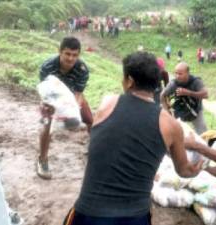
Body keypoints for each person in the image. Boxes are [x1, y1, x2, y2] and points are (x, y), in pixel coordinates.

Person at [63, 52, 203, 225]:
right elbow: (184, 171)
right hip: (134, 218)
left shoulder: (107, 102)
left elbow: (103, 138)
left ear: (129, 81)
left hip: (88, 214)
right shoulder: (171, 125)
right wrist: (196, 168)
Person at [37, 37, 93, 180]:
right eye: (67, 54)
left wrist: (72, 111)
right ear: (60, 52)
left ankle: (94, 151)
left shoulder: (82, 70)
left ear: (79, 55)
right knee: (46, 125)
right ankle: (42, 159)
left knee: (90, 119)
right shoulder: (47, 67)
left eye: (74, 55)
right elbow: (46, 92)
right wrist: (53, 109)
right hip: (51, 97)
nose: (70, 58)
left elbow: (78, 94)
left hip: (72, 97)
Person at [160, 62, 208, 134]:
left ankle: (204, 144)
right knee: (177, 133)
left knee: (203, 132)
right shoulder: (173, 84)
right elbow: (162, 95)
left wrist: (188, 93)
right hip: (180, 111)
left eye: (180, 74)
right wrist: (167, 110)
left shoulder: (196, 81)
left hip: (196, 110)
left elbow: (205, 95)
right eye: (176, 73)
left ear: (187, 73)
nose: (177, 76)